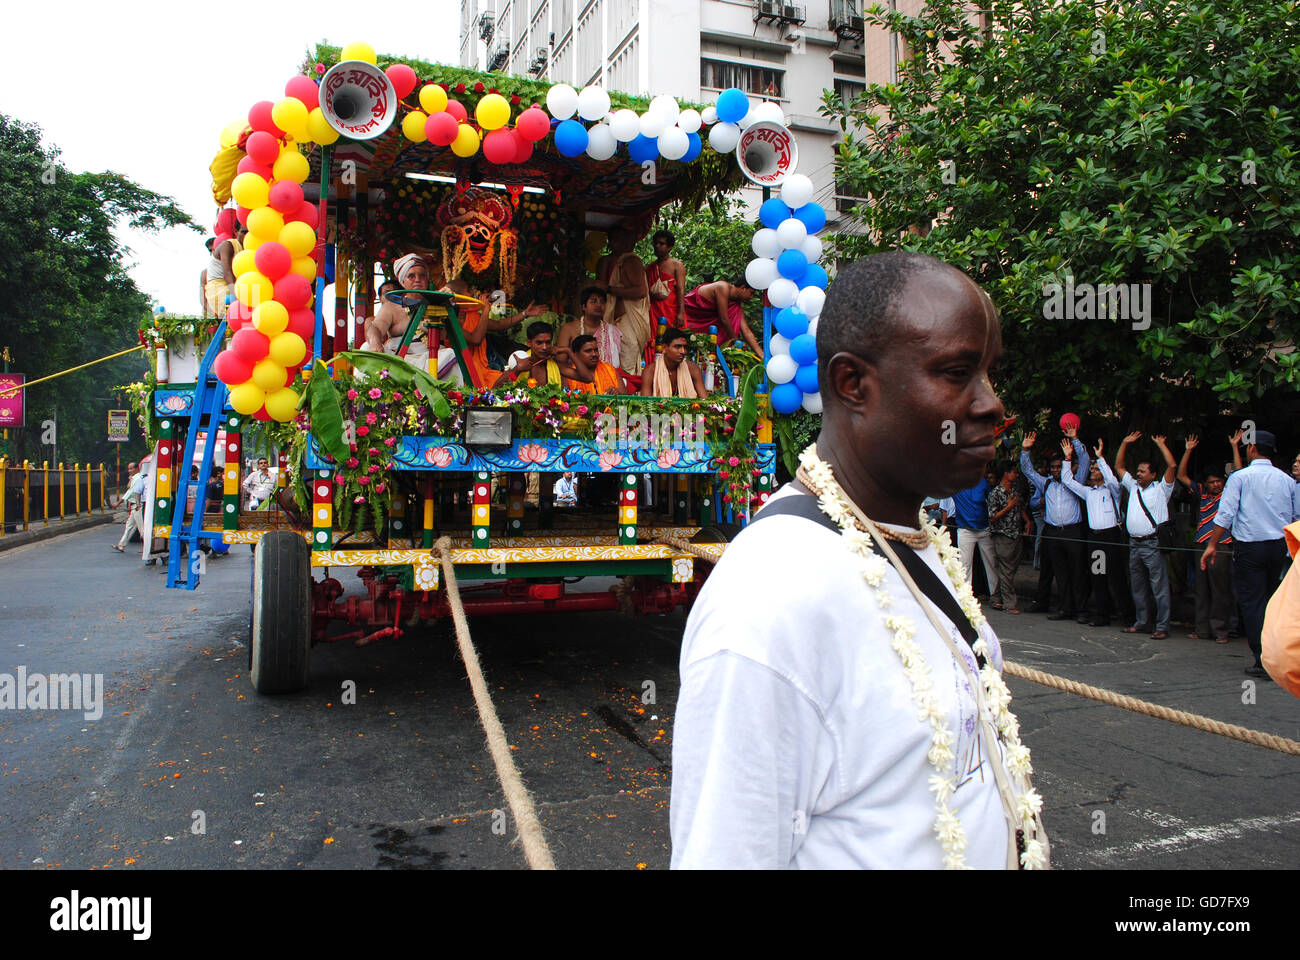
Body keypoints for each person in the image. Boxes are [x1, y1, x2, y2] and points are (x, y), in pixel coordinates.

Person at [671, 251, 1048, 869]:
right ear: (852, 384)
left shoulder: (910, 536)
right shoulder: (772, 597)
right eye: (957, 373)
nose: (991, 406)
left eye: (989, 373)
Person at [1201, 429, 1300, 678]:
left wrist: (1212, 544)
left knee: (1253, 602)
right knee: (1272, 602)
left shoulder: (1240, 478)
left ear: (1253, 449)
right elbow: (1295, 517)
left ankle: (1262, 658)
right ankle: (1277, 656)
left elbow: (1225, 514)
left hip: (1250, 548)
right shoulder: (1287, 480)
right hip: (1279, 546)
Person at [1103, 431, 1176, 639]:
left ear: (1153, 475)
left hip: (1152, 544)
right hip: (1134, 544)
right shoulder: (1133, 487)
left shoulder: (1162, 489)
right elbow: (1119, 467)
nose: (1139, 474)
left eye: (1143, 471)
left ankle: (1162, 626)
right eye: (1139, 471)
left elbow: (1171, 466)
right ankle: (1142, 621)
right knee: (1138, 586)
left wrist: (1162, 445)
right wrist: (1124, 443)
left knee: (1159, 587)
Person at [1058, 439, 1130, 627]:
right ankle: (1102, 614)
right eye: (1093, 469)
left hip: (1111, 537)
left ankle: (1128, 616)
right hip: (1095, 538)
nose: (1093, 471)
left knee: (1118, 578)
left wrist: (1100, 459)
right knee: (1098, 576)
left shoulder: (1112, 490)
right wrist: (1067, 458)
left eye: (1096, 469)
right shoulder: (1089, 492)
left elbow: (1113, 480)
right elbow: (1067, 480)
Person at [1020, 430, 1090, 621]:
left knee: (1078, 572)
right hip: (1052, 532)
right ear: (1050, 469)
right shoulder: (1046, 484)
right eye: (1054, 467)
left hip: (1073, 531)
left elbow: (1084, 460)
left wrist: (1075, 439)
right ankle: (1065, 609)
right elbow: (1028, 471)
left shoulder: (1076, 482)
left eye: (1060, 467)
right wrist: (1025, 450)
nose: (1057, 470)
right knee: (1061, 573)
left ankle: (1082, 611)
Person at [1178, 434, 1241, 642]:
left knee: (1220, 590)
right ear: (1205, 483)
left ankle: (1221, 631)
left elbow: (1239, 473)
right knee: (1200, 588)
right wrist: (1188, 450)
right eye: (1212, 482)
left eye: (1218, 481)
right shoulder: (1202, 493)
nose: (1216, 485)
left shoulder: (1230, 493)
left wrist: (1234, 446)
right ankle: (1202, 629)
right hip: (1200, 543)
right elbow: (1181, 475)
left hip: (1222, 545)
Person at [599, 226, 653, 374]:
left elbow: (640, 291)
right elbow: (599, 288)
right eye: (614, 239)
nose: (616, 243)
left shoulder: (631, 261)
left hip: (629, 321)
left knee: (627, 361)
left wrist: (611, 290)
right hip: (611, 319)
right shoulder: (607, 261)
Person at [681, 278, 763, 358]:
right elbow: (724, 319)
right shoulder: (723, 287)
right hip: (688, 316)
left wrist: (763, 356)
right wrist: (736, 342)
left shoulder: (735, 305)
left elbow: (746, 331)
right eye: (751, 293)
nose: (751, 297)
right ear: (743, 288)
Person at [986, 464, 1027, 613]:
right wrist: (1008, 506)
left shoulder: (1014, 490)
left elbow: (1020, 508)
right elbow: (992, 517)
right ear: (1006, 473)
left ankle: (996, 598)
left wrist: (1028, 521)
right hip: (1002, 534)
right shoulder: (996, 492)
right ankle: (1009, 603)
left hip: (1016, 532)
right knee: (1006, 569)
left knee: (1008, 569)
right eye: (1014, 472)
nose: (1016, 475)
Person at [953, 474, 997, 601]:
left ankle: (996, 595)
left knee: (991, 563)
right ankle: (965, 596)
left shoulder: (982, 482)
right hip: (965, 529)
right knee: (964, 564)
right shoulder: (956, 482)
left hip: (984, 528)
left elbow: (990, 501)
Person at [555, 286, 621, 368]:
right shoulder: (569, 329)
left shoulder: (612, 331)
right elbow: (561, 361)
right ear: (583, 306)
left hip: (608, 378)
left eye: (602, 302)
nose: (599, 305)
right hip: (575, 378)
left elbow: (618, 365)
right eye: (593, 301)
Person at [639, 328, 707, 398]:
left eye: (685, 347)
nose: (683, 351)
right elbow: (645, 403)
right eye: (677, 347)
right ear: (664, 348)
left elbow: (704, 400)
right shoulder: (650, 371)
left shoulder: (693, 369)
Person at [555, 334, 623, 395]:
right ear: (576, 354)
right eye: (588, 351)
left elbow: (626, 398)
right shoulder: (568, 374)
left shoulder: (610, 369)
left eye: (596, 350)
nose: (594, 354)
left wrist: (617, 394)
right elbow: (565, 403)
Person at [646, 230, 686, 327]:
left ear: (670, 247)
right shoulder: (649, 268)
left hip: (671, 311)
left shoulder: (677, 266)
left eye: (661, 243)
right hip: (653, 311)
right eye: (656, 243)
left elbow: (680, 290)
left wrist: (681, 313)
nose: (657, 246)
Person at [503, 322, 563, 386]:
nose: (544, 347)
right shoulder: (518, 361)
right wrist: (517, 369)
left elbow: (575, 376)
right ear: (529, 343)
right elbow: (498, 388)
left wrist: (568, 351)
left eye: (548, 342)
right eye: (539, 343)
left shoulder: (554, 364)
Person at [205, 228, 244, 319]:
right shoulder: (227, 245)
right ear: (236, 232)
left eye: (248, 232)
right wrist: (236, 296)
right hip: (218, 289)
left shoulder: (246, 248)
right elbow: (227, 273)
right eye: (243, 232)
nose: (246, 236)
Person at [113, 462, 146, 553]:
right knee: (129, 527)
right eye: (129, 469)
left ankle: (147, 547)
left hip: (137, 506)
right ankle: (121, 545)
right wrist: (130, 478)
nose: (129, 471)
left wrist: (118, 503)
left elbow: (130, 492)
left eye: (131, 469)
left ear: (137, 469)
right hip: (134, 506)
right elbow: (128, 486)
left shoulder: (138, 478)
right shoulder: (134, 478)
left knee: (142, 528)